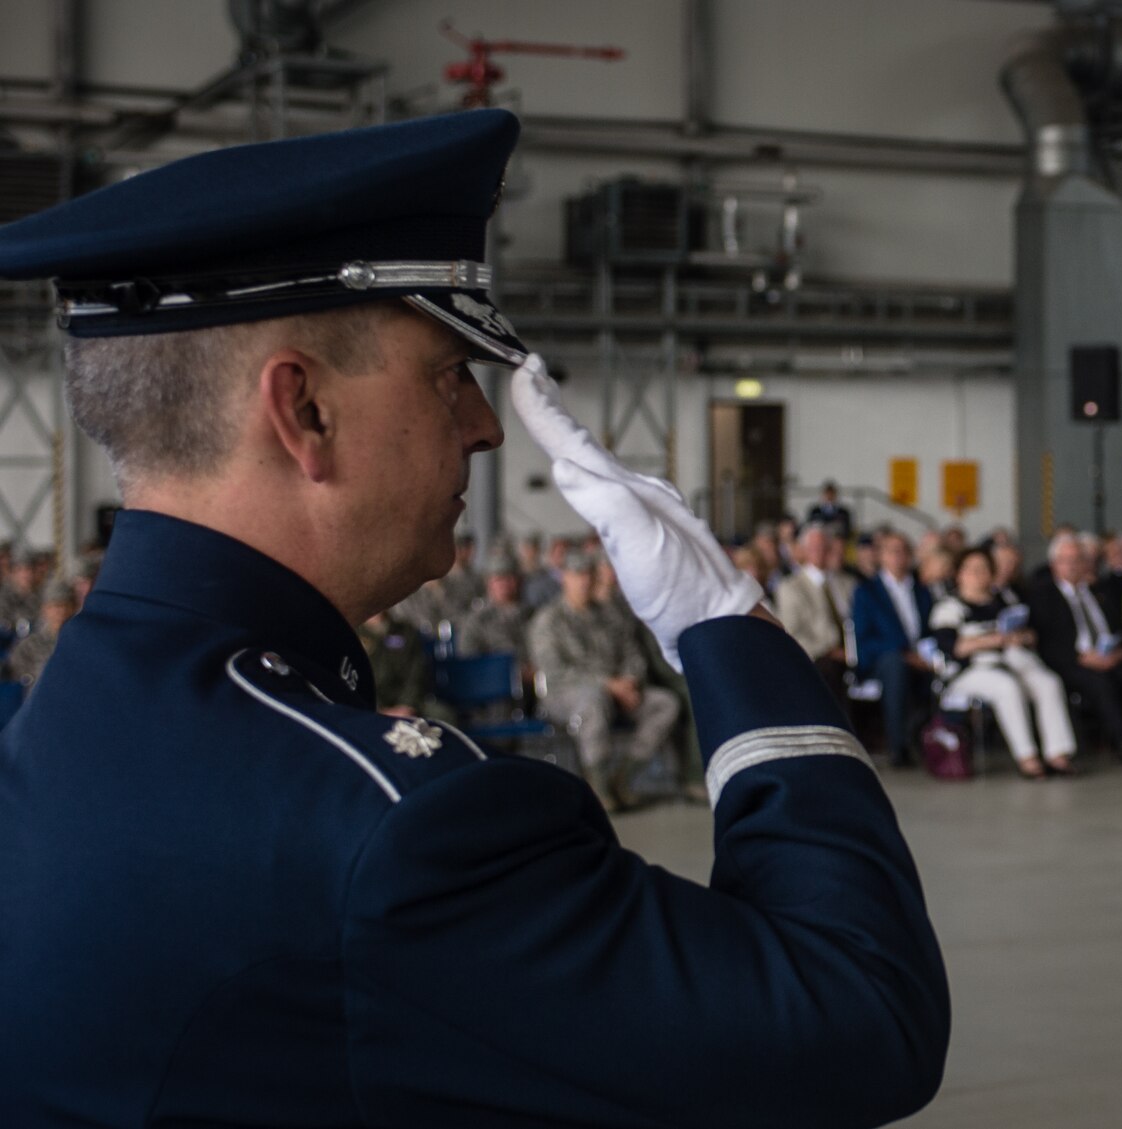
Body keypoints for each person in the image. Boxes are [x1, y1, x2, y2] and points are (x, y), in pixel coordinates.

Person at [0, 110, 947, 1125]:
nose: (486, 427)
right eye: (450, 374)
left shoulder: (57, 729)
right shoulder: (393, 828)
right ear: (304, 411)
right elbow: (857, 1014)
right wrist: (728, 632)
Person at [528, 553, 683, 810]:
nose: (584, 582)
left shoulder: (609, 616)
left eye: (588, 575)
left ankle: (623, 777)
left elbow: (633, 653)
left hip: (618, 691)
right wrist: (609, 685)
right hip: (565, 694)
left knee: (665, 704)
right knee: (593, 702)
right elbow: (555, 671)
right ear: (565, 578)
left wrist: (630, 681)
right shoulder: (549, 619)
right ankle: (598, 786)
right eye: (577, 575)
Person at [929, 547, 1077, 778]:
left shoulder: (1005, 599)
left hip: (1013, 660)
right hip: (971, 670)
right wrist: (991, 639)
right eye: (971, 570)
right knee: (1007, 687)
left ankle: (1057, 754)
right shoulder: (949, 606)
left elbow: (1031, 632)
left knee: (1048, 682)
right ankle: (1027, 758)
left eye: (983, 569)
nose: (978, 575)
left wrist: (1021, 636)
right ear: (958, 574)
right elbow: (952, 647)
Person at [1028, 532, 1122, 772]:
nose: (1072, 565)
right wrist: (1083, 658)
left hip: (1111, 656)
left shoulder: (1100, 590)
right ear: (1054, 565)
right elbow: (1047, 641)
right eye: (1065, 560)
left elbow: (1121, 627)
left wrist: (1121, 652)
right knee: (1100, 684)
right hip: (1075, 662)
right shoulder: (1043, 594)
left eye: (1077, 559)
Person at [850, 529, 935, 767]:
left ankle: (934, 741)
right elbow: (864, 637)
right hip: (881, 659)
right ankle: (898, 746)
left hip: (919, 656)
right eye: (893, 551)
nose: (899, 556)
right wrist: (905, 654)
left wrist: (925, 653)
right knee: (895, 667)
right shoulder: (866, 591)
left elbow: (929, 627)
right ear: (882, 556)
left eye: (903, 551)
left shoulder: (921, 590)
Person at [773, 523, 858, 710]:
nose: (819, 552)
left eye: (824, 546)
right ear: (803, 551)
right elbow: (792, 633)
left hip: (856, 652)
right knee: (828, 670)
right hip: (820, 657)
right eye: (813, 547)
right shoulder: (790, 587)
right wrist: (830, 650)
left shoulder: (848, 583)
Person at [4, 575, 77, 687]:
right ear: (45, 609)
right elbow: (12, 672)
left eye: (66, 606)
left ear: (74, 608)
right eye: (56, 606)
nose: (61, 612)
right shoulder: (29, 646)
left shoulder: (81, 642)